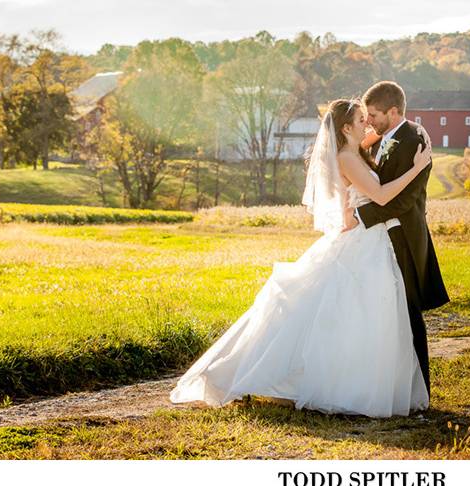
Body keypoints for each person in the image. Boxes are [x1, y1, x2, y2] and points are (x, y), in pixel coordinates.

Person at [169, 97, 434, 417]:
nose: (368, 123)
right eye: (362, 119)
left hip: (369, 241)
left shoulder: (354, 149)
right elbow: (380, 195)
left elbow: (383, 135)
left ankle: (357, 382)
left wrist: (413, 130)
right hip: (360, 240)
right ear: (347, 127)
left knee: (360, 315)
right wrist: (417, 168)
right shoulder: (347, 158)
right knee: (351, 313)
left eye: (368, 117)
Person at [351, 81, 451, 398]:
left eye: (374, 114)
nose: (369, 121)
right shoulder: (385, 137)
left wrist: (360, 217)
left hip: (404, 235)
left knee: (409, 311)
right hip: (385, 235)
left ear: (393, 112)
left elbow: (405, 200)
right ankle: (391, 381)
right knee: (387, 309)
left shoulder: (412, 139)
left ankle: (420, 388)